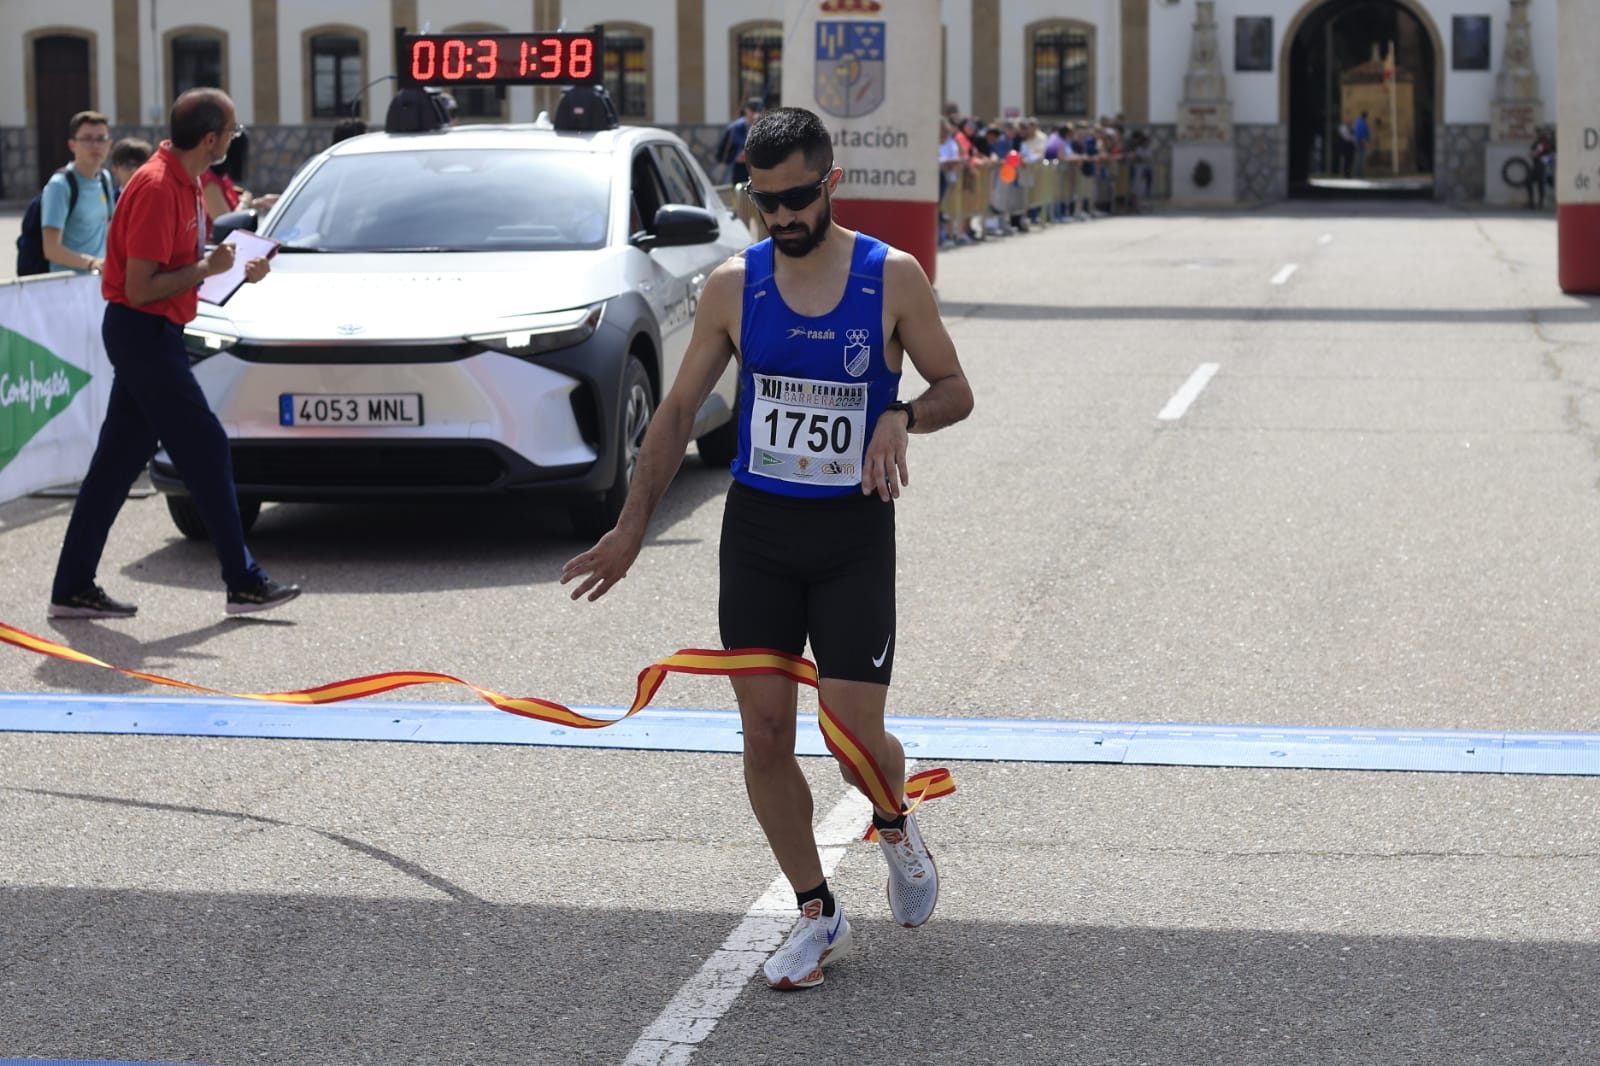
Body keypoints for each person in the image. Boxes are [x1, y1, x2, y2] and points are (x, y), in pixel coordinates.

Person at [561, 106, 973, 990]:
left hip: (853, 532)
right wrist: (631, 528)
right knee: (765, 733)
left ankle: (895, 822)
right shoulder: (730, 287)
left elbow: (956, 389)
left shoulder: (891, 279)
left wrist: (899, 414)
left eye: (796, 198)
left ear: (830, 184)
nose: (782, 217)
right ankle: (818, 913)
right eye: (764, 200)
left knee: (854, 733)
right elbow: (674, 415)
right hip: (758, 532)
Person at [48, 88, 301, 620]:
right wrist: (208, 270)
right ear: (210, 139)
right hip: (142, 331)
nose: (235, 137)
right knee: (206, 446)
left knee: (116, 464)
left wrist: (233, 270)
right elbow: (141, 287)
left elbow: (176, 272)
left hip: (152, 331)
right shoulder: (161, 186)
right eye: (231, 129)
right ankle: (244, 581)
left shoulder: (185, 182)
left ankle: (72, 586)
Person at [41, 110, 115, 274]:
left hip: (98, 283)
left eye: (101, 139)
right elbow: (51, 249)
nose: (95, 145)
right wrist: (92, 263)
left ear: (109, 145)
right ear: (72, 144)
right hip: (67, 288)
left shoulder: (104, 178)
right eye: (87, 139)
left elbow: (110, 228)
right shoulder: (59, 185)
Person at [718, 97, 764, 186]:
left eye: (758, 111)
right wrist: (737, 157)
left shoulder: (764, 128)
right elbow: (722, 154)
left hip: (758, 173)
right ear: (746, 110)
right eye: (753, 110)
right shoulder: (734, 128)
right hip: (737, 173)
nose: (755, 114)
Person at [1353, 111, 1371, 178]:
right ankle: (1359, 174)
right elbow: (1362, 134)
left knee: (1359, 158)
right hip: (1361, 142)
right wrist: (1366, 143)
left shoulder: (1357, 122)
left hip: (1358, 141)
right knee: (1361, 158)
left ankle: (1358, 174)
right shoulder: (1362, 123)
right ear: (1366, 116)